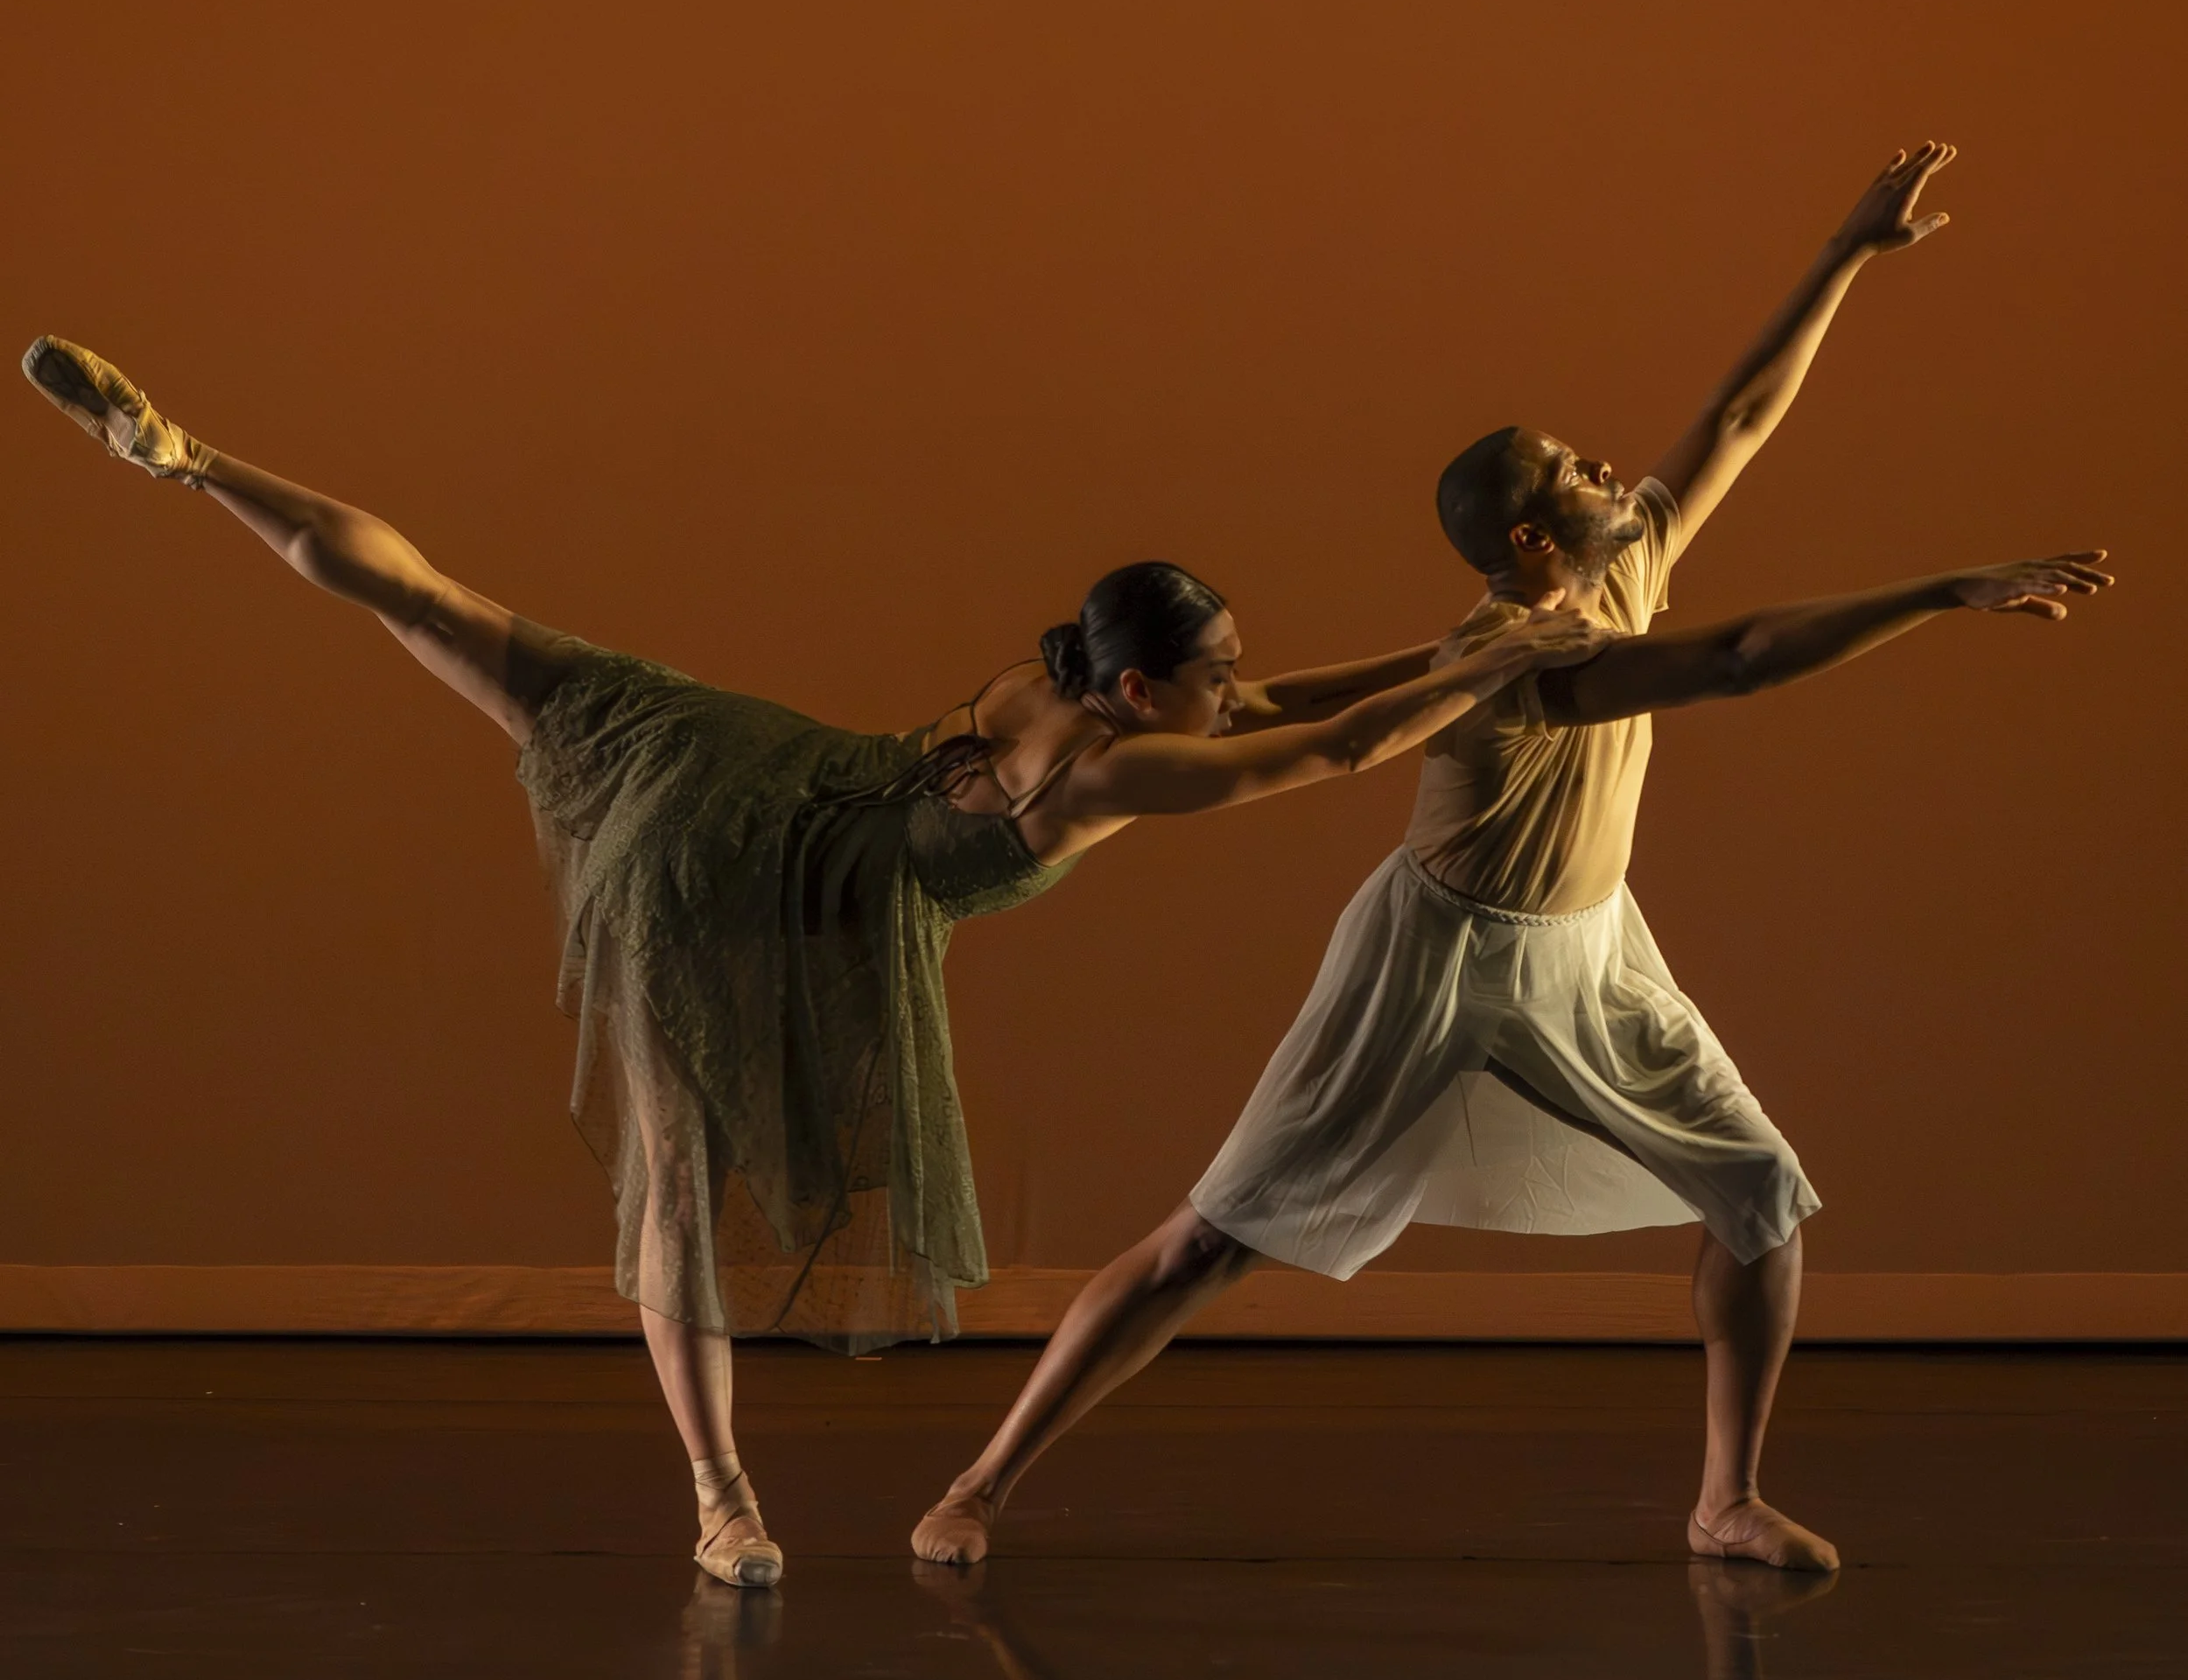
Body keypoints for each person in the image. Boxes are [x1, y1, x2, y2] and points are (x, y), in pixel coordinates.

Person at [20, 336, 1601, 1591]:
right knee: (677, 1187)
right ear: (1138, 691)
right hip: (729, 895)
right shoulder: (1111, 777)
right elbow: (1337, 749)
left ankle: (188, 458)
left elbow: (1296, 704)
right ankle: (721, 1505)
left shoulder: (1051, 681)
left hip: (723, 760)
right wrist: (1500, 661)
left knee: (434, 604)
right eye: (1219, 672)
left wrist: (1466, 646)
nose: (1241, 687)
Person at [912, 144, 2110, 1574]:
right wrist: (1943, 588)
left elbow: (1737, 416)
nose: (1613, 468)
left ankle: (1724, 1501)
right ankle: (977, 1486)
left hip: (1592, 950)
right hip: (1438, 957)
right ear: (1533, 536)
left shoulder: (1617, 565)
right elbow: (1735, 660)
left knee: (1760, 1198)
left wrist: (1846, 254)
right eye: (1575, 470)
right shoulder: (1516, 657)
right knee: (1212, 1241)